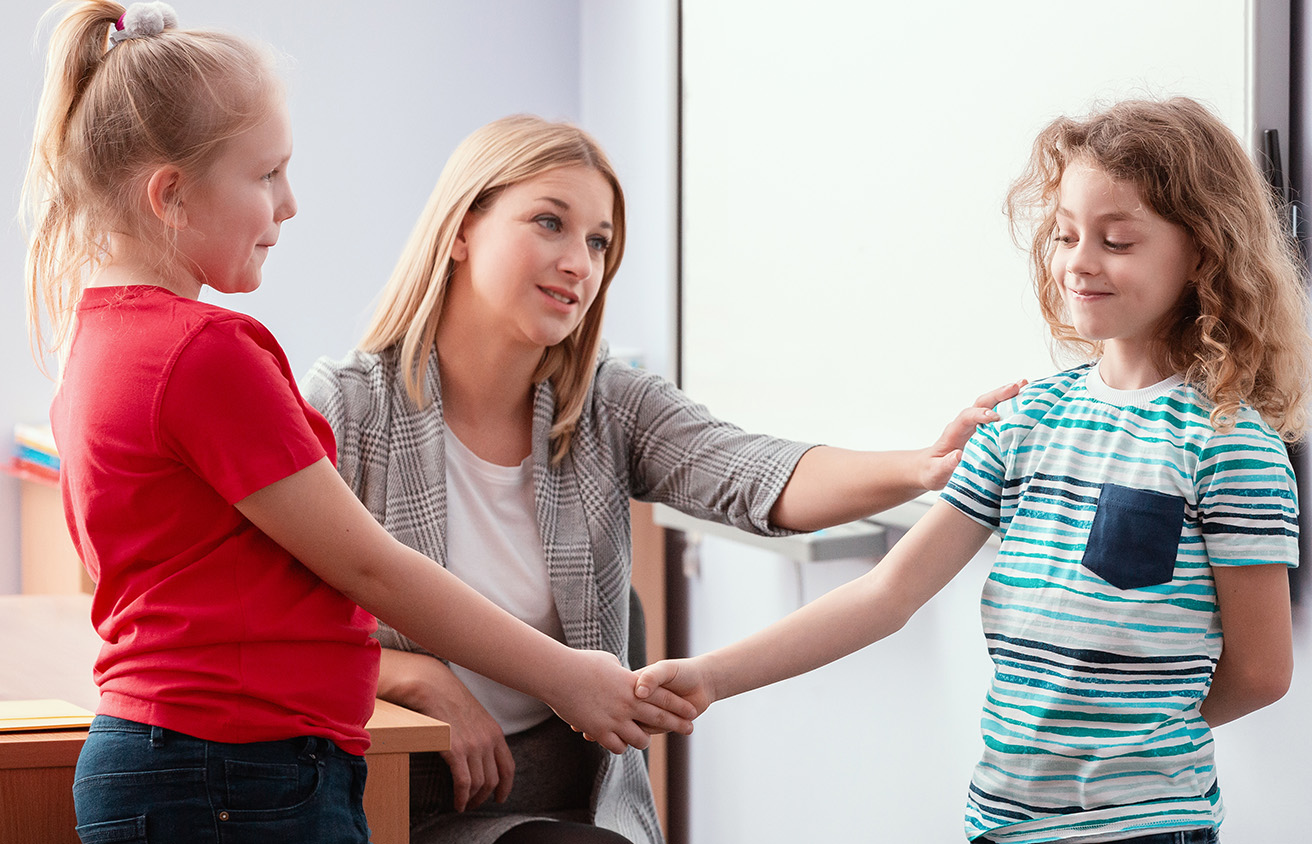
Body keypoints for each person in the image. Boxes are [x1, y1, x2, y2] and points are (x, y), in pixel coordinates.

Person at [21, 5, 694, 842]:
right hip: (237, 772)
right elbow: (370, 566)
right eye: (268, 174)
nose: (290, 204)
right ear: (172, 195)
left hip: (193, 760)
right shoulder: (203, 353)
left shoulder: (100, 341)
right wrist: (566, 676)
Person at [300, 113, 1017, 844]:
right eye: (549, 223)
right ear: (461, 230)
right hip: (392, 806)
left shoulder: (607, 402)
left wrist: (920, 466)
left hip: (577, 810)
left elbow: (753, 471)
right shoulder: (347, 407)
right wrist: (414, 678)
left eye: (598, 241)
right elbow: (265, 627)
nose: (579, 262)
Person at [637, 96, 1312, 843]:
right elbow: (887, 594)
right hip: (999, 822)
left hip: (1144, 827)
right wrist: (711, 677)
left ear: (1202, 254)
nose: (1079, 262)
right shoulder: (1025, 421)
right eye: (1065, 235)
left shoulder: (1229, 445)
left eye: (1117, 241)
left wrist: (1139, 736)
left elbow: (1261, 672)